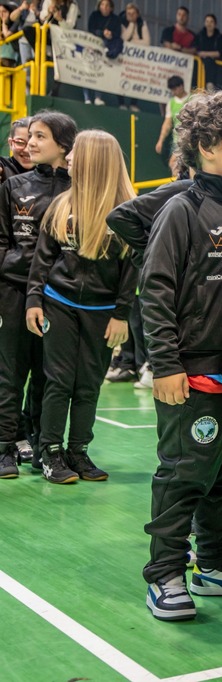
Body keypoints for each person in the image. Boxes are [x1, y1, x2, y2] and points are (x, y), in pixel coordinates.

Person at [139, 90, 222, 622]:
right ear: (208, 147)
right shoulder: (182, 209)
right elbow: (156, 291)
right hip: (191, 373)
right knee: (183, 475)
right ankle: (165, 573)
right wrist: (166, 364)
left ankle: (214, 562)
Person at [24, 130, 136, 484]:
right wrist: (33, 301)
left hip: (103, 313)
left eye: (76, 153)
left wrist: (122, 315)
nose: (69, 158)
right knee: (58, 381)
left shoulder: (128, 212)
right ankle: (50, 452)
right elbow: (42, 260)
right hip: (58, 304)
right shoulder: (61, 205)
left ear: (94, 160)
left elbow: (132, 271)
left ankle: (78, 451)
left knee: (89, 384)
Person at [0, 111, 75, 479]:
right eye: (28, 136)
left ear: (63, 144)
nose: (30, 143)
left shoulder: (79, 190)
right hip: (14, 292)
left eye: (39, 136)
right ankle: (4, 447)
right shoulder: (13, 187)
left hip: (59, 296)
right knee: (10, 372)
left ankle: (43, 447)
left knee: (50, 377)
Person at [83, 0, 120, 106]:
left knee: (100, 70)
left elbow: (118, 33)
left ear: (111, 8)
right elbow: (91, 29)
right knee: (87, 70)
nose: (105, 7)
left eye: (107, 5)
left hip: (105, 49)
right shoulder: (94, 15)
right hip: (92, 46)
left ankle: (98, 97)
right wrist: (102, 33)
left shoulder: (115, 19)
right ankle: (87, 97)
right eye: (102, 4)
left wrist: (110, 35)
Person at [118, 3, 149, 110]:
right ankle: (121, 103)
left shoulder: (142, 24)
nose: (131, 15)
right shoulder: (121, 22)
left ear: (137, 14)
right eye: (128, 13)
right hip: (124, 57)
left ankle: (133, 103)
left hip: (137, 58)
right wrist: (131, 24)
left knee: (137, 78)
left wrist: (132, 43)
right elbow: (124, 38)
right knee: (121, 77)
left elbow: (146, 42)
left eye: (133, 13)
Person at [154, 76, 187, 169]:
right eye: (172, 90)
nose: (173, 92)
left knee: (174, 163)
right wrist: (160, 140)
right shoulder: (171, 103)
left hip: (189, 139)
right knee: (175, 166)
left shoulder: (192, 99)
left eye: (175, 89)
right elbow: (167, 123)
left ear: (181, 86)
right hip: (176, 141)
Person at [195, 14, 222, 90]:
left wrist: (204, 54)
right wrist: (210, 54)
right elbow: (196, 51)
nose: (209, 24)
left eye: (211, 21)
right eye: (207, 21)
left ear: (215, 24)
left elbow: (219, 53)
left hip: (218, 70)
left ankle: (210, 85)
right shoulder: (199, 36)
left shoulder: (219, 37)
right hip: (201, 68)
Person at [0, 117, 35, 184]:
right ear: (10, 143)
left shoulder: (49, 172)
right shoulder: (3, 166)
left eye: (33, 144)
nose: (27, 150)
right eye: (20, 143)